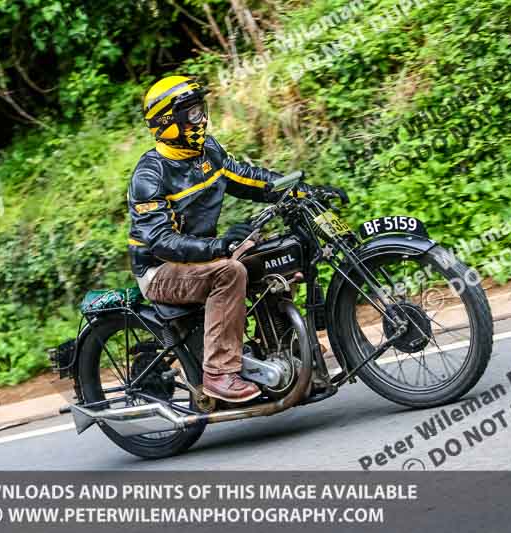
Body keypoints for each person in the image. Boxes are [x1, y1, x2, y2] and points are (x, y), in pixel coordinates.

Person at [126, 76, 347, 403]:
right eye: (191, 112)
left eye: (200, 109)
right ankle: (219, 372)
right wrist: (219, 247)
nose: (201, 118)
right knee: (229, 272)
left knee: (271, 252)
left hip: (198, 258)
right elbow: (161, 241)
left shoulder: (208, 151)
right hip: (160, 271)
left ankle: (287, 349)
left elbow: (250, 179)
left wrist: (304, 192)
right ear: (167, 121)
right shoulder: (151, 174)